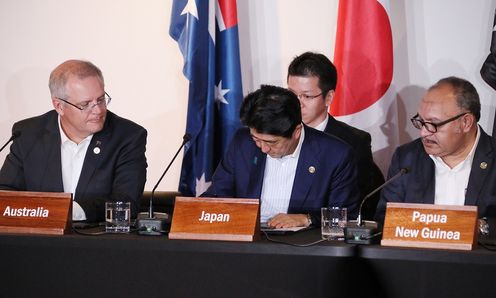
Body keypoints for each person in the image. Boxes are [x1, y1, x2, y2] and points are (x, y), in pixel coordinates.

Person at [0, 60, 147, 222]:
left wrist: (69, 211)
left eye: (100, 100)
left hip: (95, 243)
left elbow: (126, 203)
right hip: (34, 241)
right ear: (59, 106)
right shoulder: (28, 134)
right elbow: (6, 193)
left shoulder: (128, 136)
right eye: (85, 104)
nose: (98, 110)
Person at [203, 85, 360, 228]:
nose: (263, 148)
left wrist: (307, 219)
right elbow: (218, 194)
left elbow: (344, 215)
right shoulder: (242, 142)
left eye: (272, 142)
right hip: (246, 241)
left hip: (301, 249)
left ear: (296, 131)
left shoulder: (335, 155)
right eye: (256, 139)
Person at [375, 76, 496, 224]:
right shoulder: (407, 158)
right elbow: (385, 220)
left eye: (434, 124)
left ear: (465, 123)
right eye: (421, 122)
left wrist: (477, 229)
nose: (424, 133)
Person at [287, 52, 384, 219]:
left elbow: (356, 208)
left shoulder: (354, 142)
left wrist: (308, 219)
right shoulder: (274, 135)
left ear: (328, 97)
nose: (297, 103)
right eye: (291, 94)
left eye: (307, 96)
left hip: (323, 238)